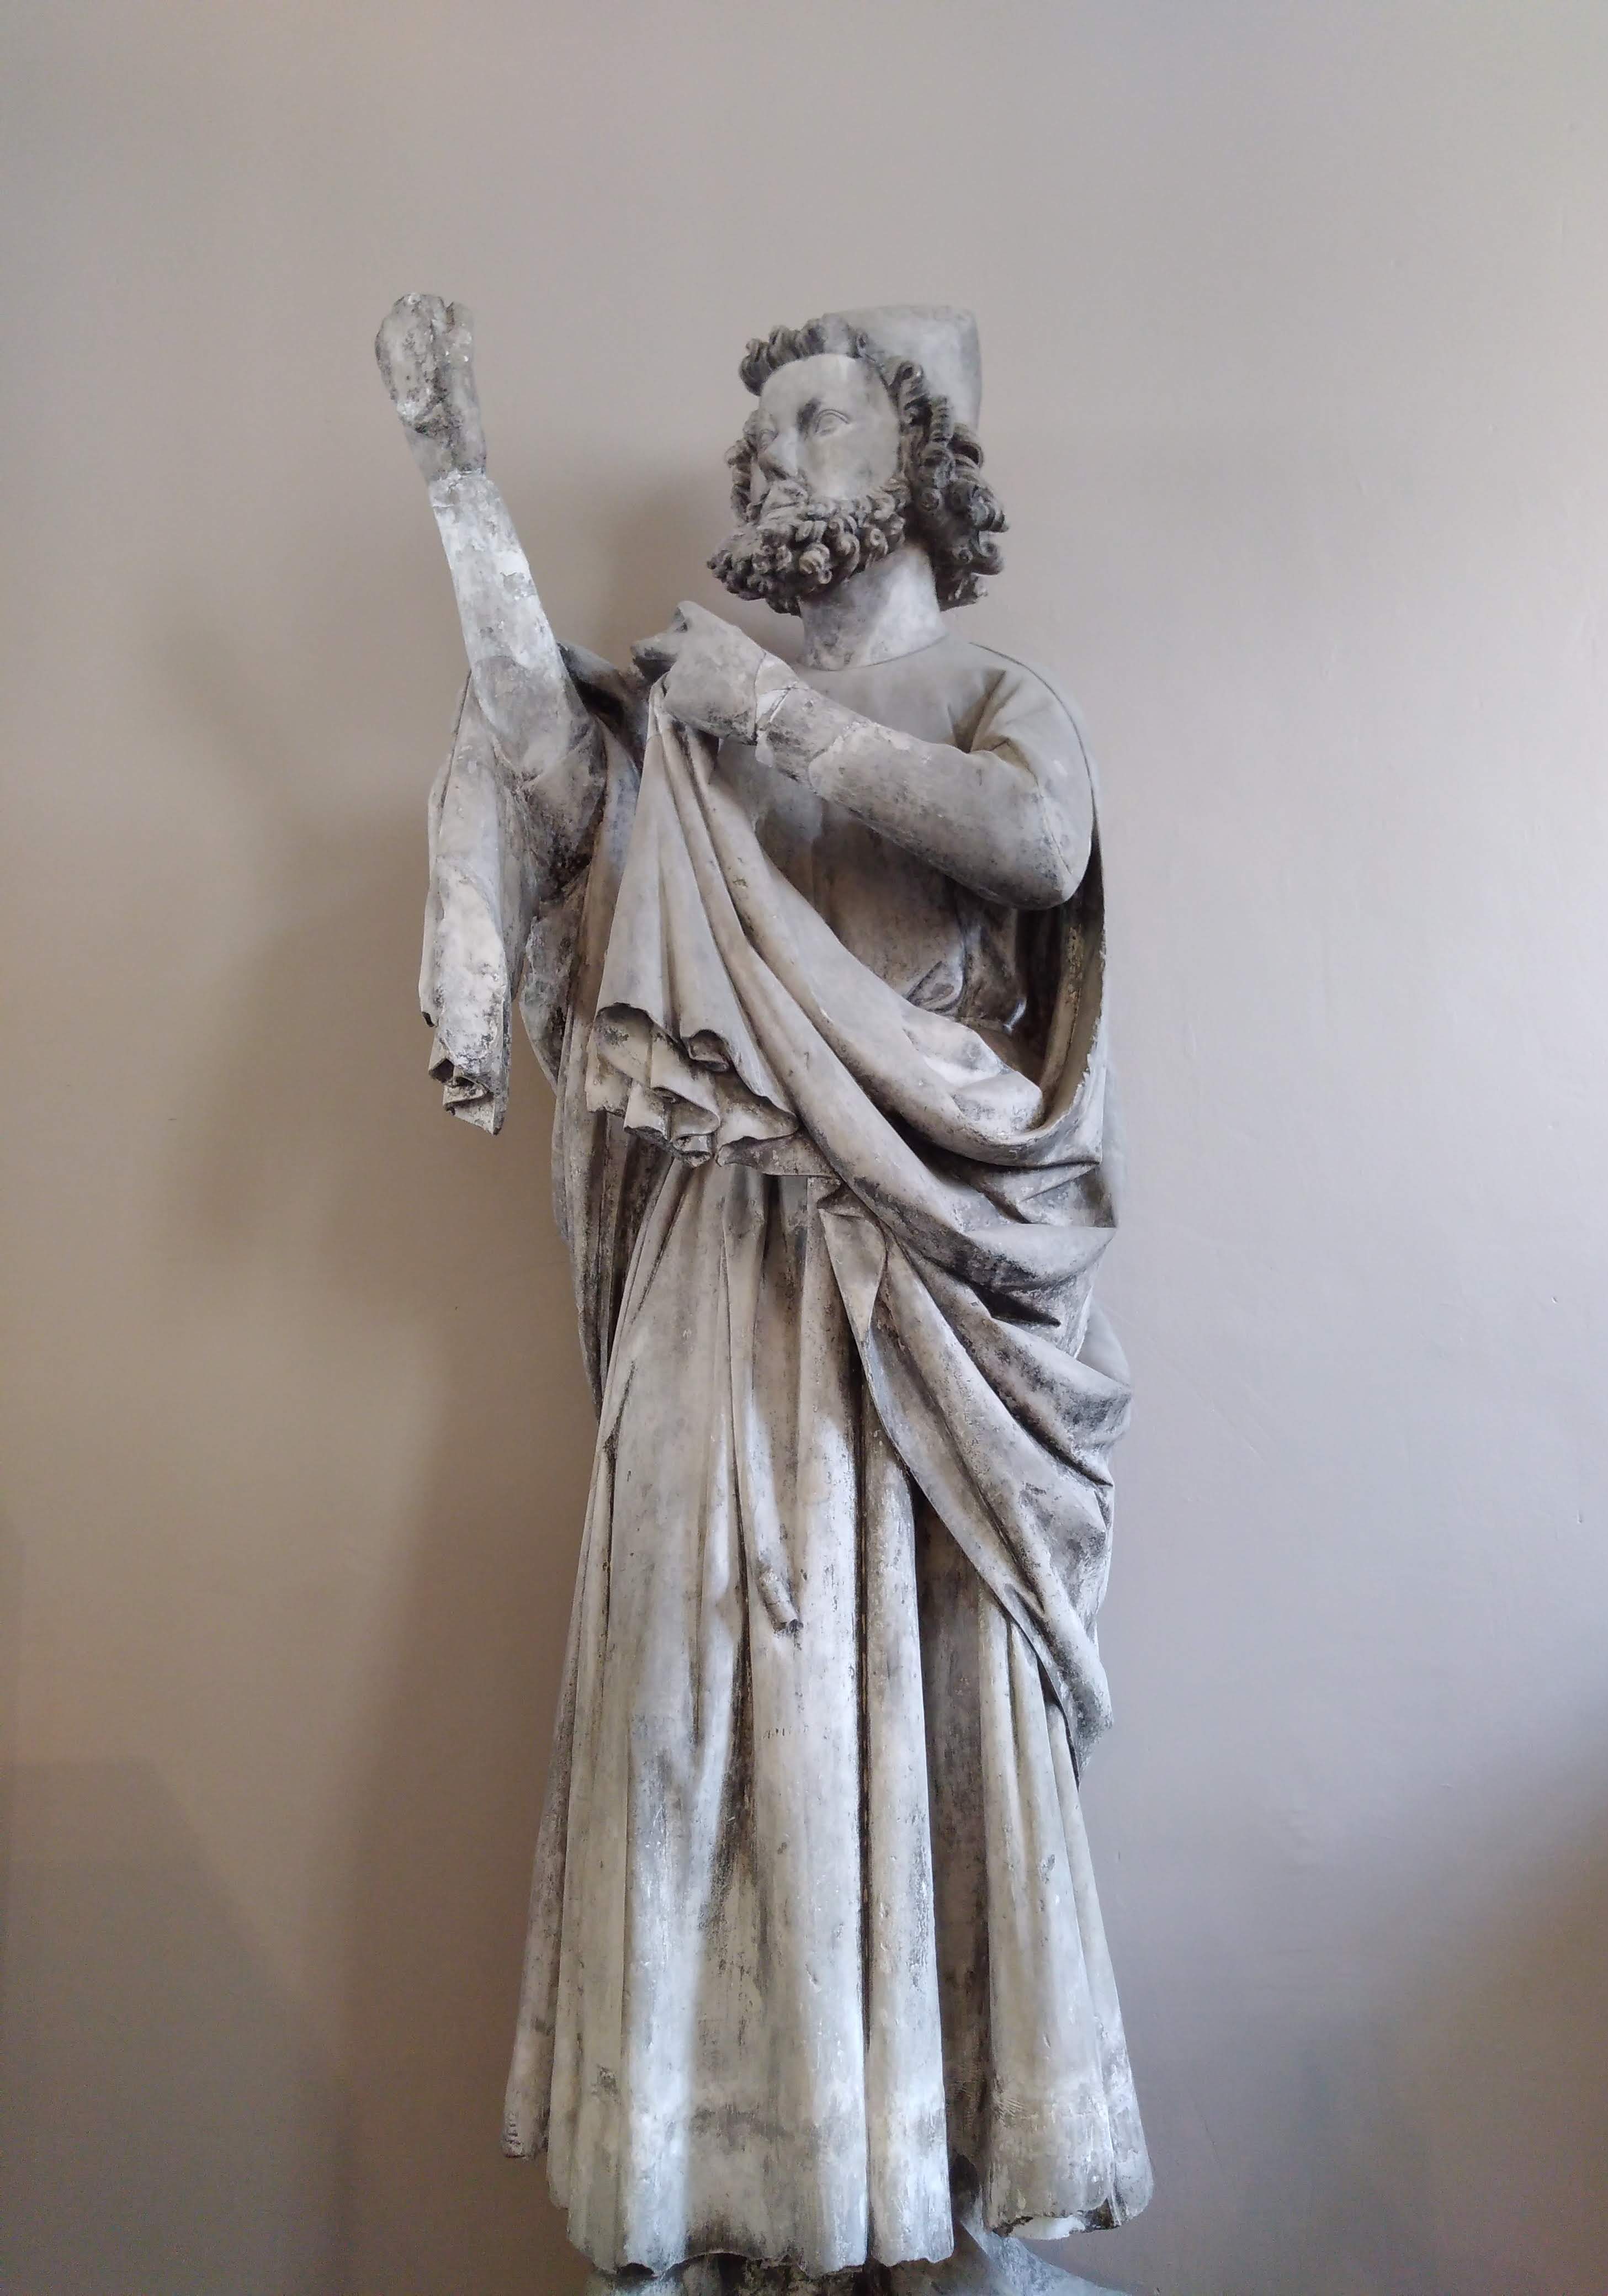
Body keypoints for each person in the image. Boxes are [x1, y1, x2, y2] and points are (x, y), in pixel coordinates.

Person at [376, 297, 1150, 2293]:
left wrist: (781, 719)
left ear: (919, 465)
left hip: (930, 1312)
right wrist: (462, 487)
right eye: (761, 435)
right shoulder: (684, 731)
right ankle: (710, 2198)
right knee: (692, 1715)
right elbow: (538, 754)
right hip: (724, 1279)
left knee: (930, 1728)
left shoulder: (987, 694)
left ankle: (931, 2207)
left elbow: (1038, 839)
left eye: (817, 420)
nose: (769, 457)